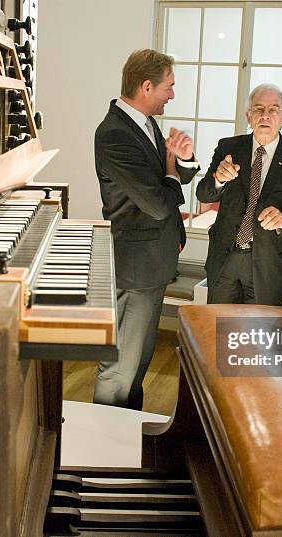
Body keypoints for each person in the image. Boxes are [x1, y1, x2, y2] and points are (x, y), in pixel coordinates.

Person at [94, 49, 199, 410]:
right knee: (120, 368)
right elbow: (156, 204)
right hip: (134, 266)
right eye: (169, 87)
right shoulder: (114, 134)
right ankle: (103, 453)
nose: (172, 94)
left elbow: (164, 181)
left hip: (152, 263)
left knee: (138, 362)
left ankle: (126, 437)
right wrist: (171, 172)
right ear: (146, 86)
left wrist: (181, 159)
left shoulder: (145, 123)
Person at [196, 84, 282, 305]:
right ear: (248, 115)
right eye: (258, 109)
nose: (265, 115)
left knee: (258, 334)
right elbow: (203, 194)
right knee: (221, 333)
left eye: (273, 110)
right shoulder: (228, 148)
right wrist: (218, 179)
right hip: (225, 258)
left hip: (268, 265)